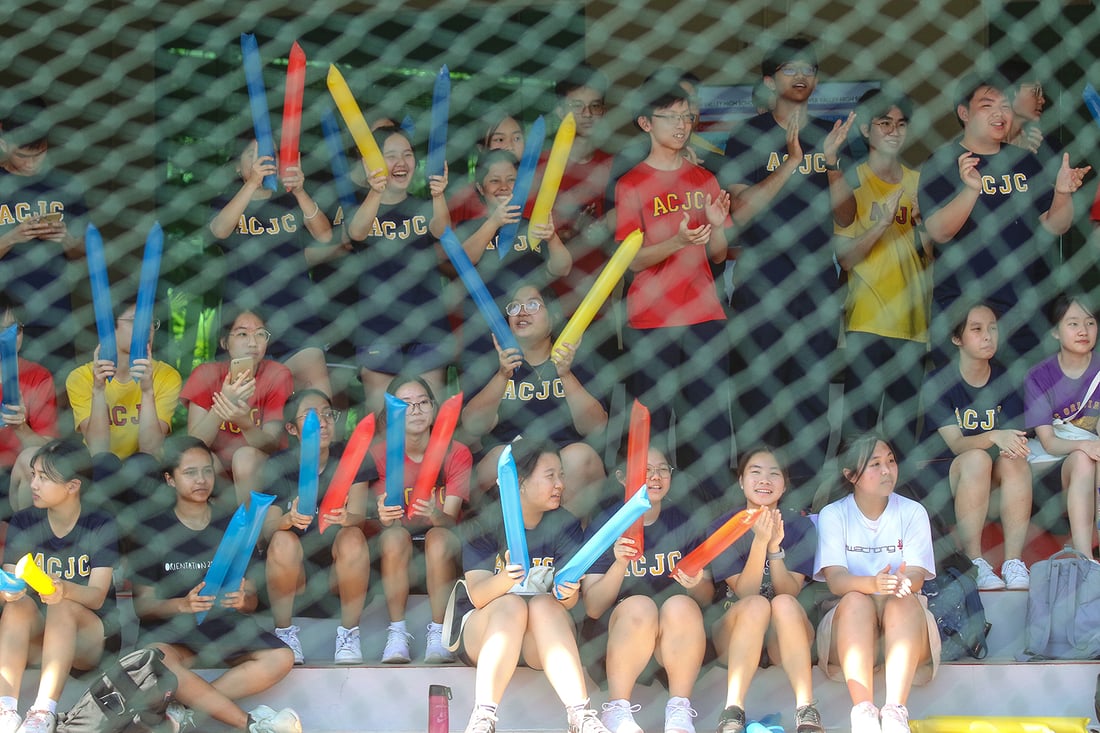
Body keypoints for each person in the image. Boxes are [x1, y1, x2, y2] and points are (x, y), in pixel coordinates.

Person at [721, 36, 855, 486]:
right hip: (762, 275)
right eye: (789, 69)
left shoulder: (829, 133)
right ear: (768, 81)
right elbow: (741, 210)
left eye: (808, 70)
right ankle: (754, 495)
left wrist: (830, 163)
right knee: (756, 395)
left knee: (811, 398)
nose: (801, 76)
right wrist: (793, 162)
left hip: (816, 280)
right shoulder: (748, 136)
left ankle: (800, 500)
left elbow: (846, 215)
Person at [919, 71, 1090, 370]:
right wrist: (971, 190)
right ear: (964, 113)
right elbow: (938, 232)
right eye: (987, 105)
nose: (999, 113)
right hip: (964, 312)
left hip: (1023, 309)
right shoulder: (943, 161)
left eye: (1005, 106)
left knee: (1023, 395)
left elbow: (1055, 226)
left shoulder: (1025, 161)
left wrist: (1062, 193)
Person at [128, 436, 300, 733]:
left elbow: (251, 598)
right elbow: (143, 605)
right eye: (190, 472)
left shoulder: (233, 522)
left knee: (282, 657)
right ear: (170, 479)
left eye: (207, 471)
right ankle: (251, 724)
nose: (201, 479)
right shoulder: (150, 529)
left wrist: (243, 600)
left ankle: (186, 710)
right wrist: (183, 605)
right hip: (172, 631)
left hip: (223, 627)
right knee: (156, 659)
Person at [614, 79, 731, 502]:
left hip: (704, 314)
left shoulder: (704, 178)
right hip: (652, 318)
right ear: (646, 123)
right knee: (654, 424)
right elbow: (631, 261)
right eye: (670, 117)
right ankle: (648, 515)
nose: (682, 125)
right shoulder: (631, 184)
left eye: (687, 116)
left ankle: (711, 511)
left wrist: (715, 227)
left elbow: (719, 255)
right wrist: (678, 241)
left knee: (710, 424)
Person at [456, 440, 610, 733]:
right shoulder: (486, 522)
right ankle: (483, 718)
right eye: (550, 476)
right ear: (520, 483)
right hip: (488, 632)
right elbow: (477, 595)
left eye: (561, 475)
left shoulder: (564, 524)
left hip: (539, 640)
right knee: (511, 604)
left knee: (543, 604)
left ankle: (581, 716)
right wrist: (508, 577)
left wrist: (568, 593)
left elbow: (567, 603)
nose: (560, 484)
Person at [580, 444, 708, 733]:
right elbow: (593, 607)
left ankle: (679, 710)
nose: (655, 476)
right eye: (645, 470)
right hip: (616, 638)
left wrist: (697, 583)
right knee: (640, 605)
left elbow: (706, 596)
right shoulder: (607, 522)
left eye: (663, 469)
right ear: (622, 477)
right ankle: (617, 709)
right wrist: (619, 564)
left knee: (682, 605)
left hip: (674, 640)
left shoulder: (684, 519)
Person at [814, 434, 938, 733]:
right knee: (855, 600)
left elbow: (917, 574)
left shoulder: (912, 511)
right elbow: (836, 581)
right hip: (850, 630)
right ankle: (864, 713)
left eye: (891, 461)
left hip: (906, 628)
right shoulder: (834, 514)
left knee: (902, 599)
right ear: (850, 476)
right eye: (875, 464)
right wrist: (875, 583)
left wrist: (902, 582)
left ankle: (895, 712)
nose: (887, 470)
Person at [0, 440, 118, 733]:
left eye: (44, 477)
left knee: (61, 605)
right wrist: (10, 591)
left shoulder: (99, 524)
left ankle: (43, 712)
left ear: (72, 486)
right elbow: (11, 581)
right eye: (33, 475)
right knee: (17, 606)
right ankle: (6, 708)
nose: (33, 484)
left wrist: (63, 589)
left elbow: (97, 597)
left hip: (88, 639)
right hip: (39, 635)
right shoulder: (24, 521)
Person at [835, 90, 929, 456]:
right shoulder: (851, 181)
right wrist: (881, 224)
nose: (894, 131)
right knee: (858, 435)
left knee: (903, 438)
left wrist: (922, 225)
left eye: (901, 123)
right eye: (884, 123)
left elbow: (931, 257)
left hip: (914, 323)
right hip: (867, 321)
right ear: (865, 129)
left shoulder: (919, 182)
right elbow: (845, 259)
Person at [462, 284, 607, 518]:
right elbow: (472, 427)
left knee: (580, 456)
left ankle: (568, 535)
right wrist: (502, 375)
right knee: (498, 457)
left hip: (563, 458)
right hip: (513, 454)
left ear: (554, 315)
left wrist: (565, 374)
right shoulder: (493, 361)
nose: (521, 312)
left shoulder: (575, 358)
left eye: (532, 305)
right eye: (514, 307)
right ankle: (504, 537)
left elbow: (596, 427)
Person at [705, 447, 823, 733]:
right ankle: (733, 709)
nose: (764, 480)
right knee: (756, 605)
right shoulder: (723, 527)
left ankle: (806, 709)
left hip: (784, 638)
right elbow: (746, 593)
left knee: (783, 603)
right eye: (755, 472)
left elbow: (789, 591)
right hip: (735, 632)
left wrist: (775, 548)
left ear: (785, 484)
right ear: (741, 481)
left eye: (774, 474)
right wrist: (759, 542)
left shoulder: (800, 526)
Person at [208, 136, 333, 396]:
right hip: (245, 326)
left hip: (297, 318)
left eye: (271, 154)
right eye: (252, 155)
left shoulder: (290, 200)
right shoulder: (226, 202)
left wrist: (299, 191)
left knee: (317, 398)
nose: (264, 160)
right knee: (245, 404)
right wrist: (252, 183)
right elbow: (219, 230)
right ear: (236, 165)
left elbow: (324, 236)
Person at [920, 303, 1032, 589]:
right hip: (948, 473)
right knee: (976, 458)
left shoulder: (1006, 377)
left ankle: (1013, 562)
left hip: (994, 474)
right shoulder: (938, 381)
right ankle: (974, 561)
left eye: (993, 328)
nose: (987, 336)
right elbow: (957, 444)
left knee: (1015, 459)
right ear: (957, 338)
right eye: (977, 329)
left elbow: (1014, 439)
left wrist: (1004, 441)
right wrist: (994, 436)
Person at [344, 126, 453, 415]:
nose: (401, 162)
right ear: (372, 162)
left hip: (426, 320)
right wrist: (376, 190)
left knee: (428, 415)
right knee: (383, 419)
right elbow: (356, 232)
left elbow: (441, 230)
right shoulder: (360, 205)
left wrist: (438, 195)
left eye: (407, 154)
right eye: (390, 156)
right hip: (378, 325)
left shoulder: (422, 205)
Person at [260, 389, 373, 664]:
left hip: (339, 578)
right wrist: (289, 519)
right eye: (310, 416)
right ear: (292, 429)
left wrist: (346, 518)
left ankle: (349, 635)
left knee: (353, 536)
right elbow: (267, 531)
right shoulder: (279, 464)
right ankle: (285, 633)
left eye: (327, 414)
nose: (322, 422)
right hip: (292, 579)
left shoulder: (350, 455)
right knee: (281, 539)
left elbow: (359, 517)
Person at [373, 375, 472, 664]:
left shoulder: (455, 451)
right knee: (393, 537)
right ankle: (397, 633)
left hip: (442, 541)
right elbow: (385, 521)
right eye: (405, 404)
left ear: (434, 407)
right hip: (399, 541)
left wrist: (433, 513)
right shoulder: (380, 454)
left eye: (423, 402)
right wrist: (384, 516)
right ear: (390, 414)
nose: (416, 410)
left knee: (438, 537)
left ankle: (439, 632)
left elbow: (451, 520)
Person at [454, 150, 572, 384]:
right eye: (494, 180)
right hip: (483, 332)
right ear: (480, 188)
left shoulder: (532, 226)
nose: (504, 187)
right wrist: (495, 221)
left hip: (530, 331)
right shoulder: (469, 227)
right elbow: (463, 260)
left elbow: (563, 268)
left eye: (511, 180)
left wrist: (551, 238)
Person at [0, 98, 86, 372]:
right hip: (4, 316)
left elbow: (85, 254)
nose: (32, 164)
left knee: (56, 387)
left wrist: (65, 238)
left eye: (40, 153)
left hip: (54, 314)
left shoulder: (65, 185)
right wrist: (13, 237)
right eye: (23, 155)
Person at [180, 305, 293, 503]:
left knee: (244, 457)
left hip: (262, 469)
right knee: (203, 460)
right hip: (218, 473)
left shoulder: (276, 375)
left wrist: (245, 423)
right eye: (242, 334)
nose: (253, 343)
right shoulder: (206, 375)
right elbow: (193, 445)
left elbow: (272, 445)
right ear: (225, 342)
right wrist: (223, 405)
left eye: (260, 334)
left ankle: (245, 522)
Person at [1024, 294, 1100, 556]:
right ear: (1055, 332)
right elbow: (1049, 442)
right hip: (1051, 467)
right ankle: (1085, 557)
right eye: (1073, 323)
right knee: (1082, 458)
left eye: (1090, 323)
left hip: (1092, 460)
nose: (1083, 331)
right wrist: (1085, 445)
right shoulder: (1039, 375)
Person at [0, 294, 58, 522]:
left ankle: (24, 537)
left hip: (18, 474)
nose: (10, 336)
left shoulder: (38, 377)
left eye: (16, 329)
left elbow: (49, 450)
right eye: (2, 329)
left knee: (31, 457)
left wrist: (21, 428)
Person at [449, 111, 526, 227]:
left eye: (516, 138)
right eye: (499, 140)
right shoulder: (462, 201)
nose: (510, 146)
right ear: (481, 149)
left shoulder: (542, 187)